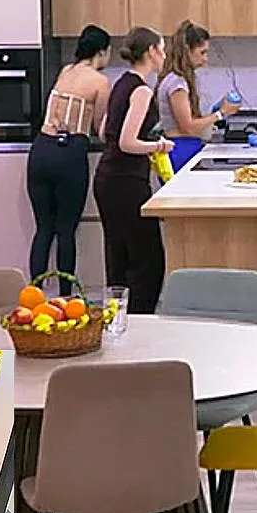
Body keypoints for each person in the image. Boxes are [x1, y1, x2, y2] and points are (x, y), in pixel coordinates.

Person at [93, 27, 174, 315]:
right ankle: (141, 321)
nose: (164, 56)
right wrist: (158, 145)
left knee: (118, 258)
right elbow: (127, 142)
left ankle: (118, 320)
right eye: (162, 49)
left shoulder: (120, 83)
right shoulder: (141, 90)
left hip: (107, 179)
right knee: (147, 262)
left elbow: (104, 132)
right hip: (127, 182)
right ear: (151, 51)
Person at [28, 25, 112, 297]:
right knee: (65, 230)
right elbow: (100, 126)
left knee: (43, 228)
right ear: (102, 52)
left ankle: (34, 295)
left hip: (41, 149)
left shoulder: (66, 71)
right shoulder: (100, 82)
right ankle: (65, 297)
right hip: (70, 153)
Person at [155, 20, 237, 171]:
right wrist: (221, 113)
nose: (205, 59)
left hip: (187, 147)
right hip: (180, 149)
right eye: (202, 52)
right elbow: (187, 126)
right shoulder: (177, 84)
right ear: (187, 51)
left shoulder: (177, 80)